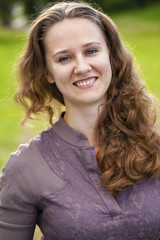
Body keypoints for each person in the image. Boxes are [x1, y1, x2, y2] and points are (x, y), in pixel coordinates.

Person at [0, 1, 160, 239]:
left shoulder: (155, 144)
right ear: (47, 72)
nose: (82, 67)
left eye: (91, 51)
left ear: (112, 57)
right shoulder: (26, 167)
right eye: (64, 58)